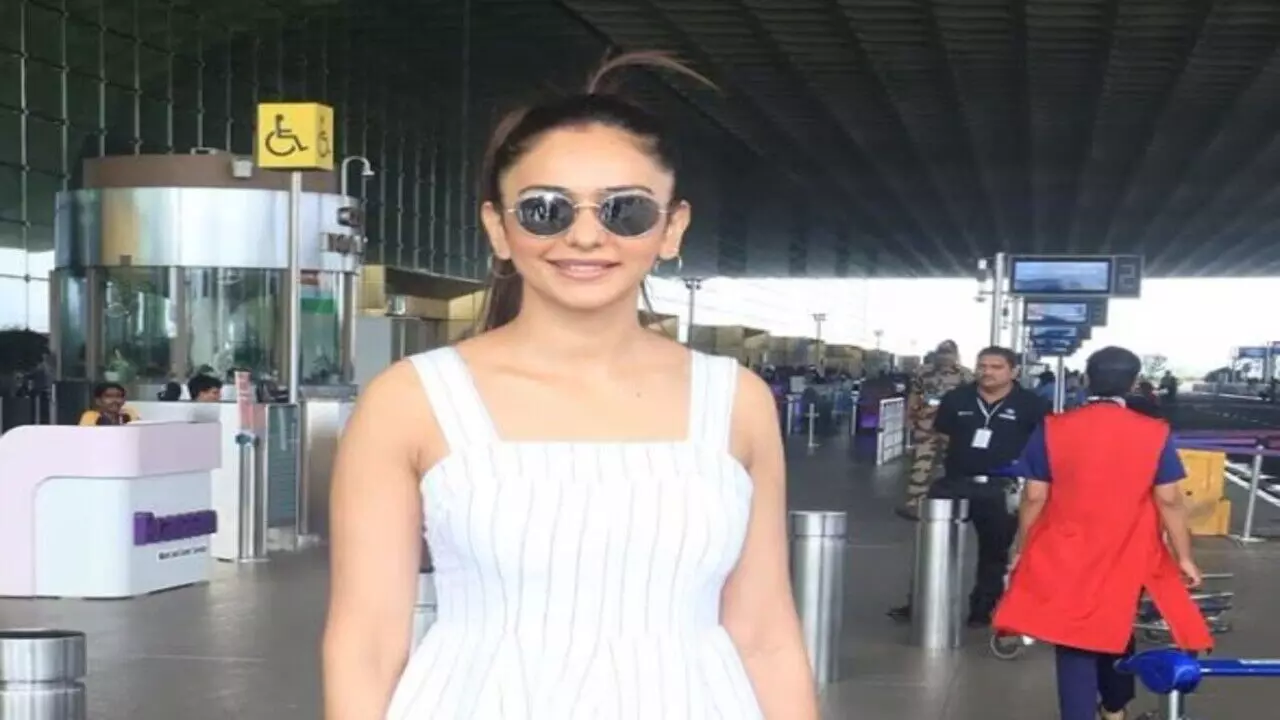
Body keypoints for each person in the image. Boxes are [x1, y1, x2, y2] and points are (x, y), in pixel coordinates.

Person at [322, 51, 817, 720]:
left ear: (672, 228)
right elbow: (367, 643)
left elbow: (765, 635)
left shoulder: (736, 402)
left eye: (625, 210)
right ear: (498, 228)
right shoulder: (411, 401)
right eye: (546, 210)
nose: (586, 236)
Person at [994, 347, 1212, 720]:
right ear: (1133, 383)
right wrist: (1184, 556)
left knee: (1072, 635)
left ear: (1086, 379)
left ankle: (1079, 713)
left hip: (1065, 547)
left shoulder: (1054, 427)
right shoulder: (1153, 432)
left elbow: (1034, 496)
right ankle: (1114, 707)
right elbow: (1169, 500)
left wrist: (1023, 547)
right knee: (1116, 619)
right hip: (1127, 548)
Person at [889, 347, 1047, 626]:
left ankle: (983, 609)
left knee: (994, 553)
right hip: (955, 482)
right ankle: (922, 603)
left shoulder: (1031, 405)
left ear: (1014, 371)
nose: (987, 372)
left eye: (996, 367)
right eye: (982, 366)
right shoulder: (957, 398)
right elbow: (943, 434)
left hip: (1001, 488)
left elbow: (1040, 447)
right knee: (933, 545)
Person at [898, 339, 974, 519]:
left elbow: (971, 399)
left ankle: (959, 504)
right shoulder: (923, 372)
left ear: (956, 355)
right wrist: (909, 416)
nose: (945, 358)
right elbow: (915, 394)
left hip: (955, 427)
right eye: (942, 353)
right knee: (921, 464)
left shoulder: (966, 375)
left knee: (957, 465)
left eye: (949, 354)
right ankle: (915, 504)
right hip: (927, 425)